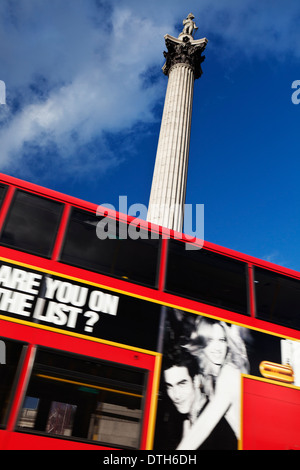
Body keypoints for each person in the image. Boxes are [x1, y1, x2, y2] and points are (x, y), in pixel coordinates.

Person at [176, 318, 249, 450]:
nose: (218, 348)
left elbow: (204, 426)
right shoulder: (213, 378)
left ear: (227, 343)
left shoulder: (229, 373)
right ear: (202, 344)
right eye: (210, 341)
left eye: (221, 340)